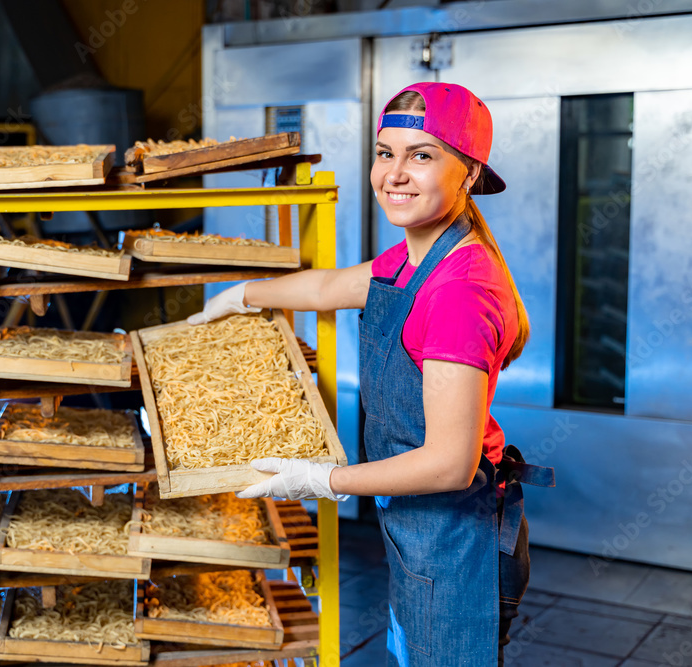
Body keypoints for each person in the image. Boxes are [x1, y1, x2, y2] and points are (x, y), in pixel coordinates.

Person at [186, 81, 555, 667]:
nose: (395, 174)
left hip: (457, 543)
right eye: (386, 153)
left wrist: (321, 479)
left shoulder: (460, 291)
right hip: (419, 533)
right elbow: (332, 286)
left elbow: (448, 464)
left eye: (423, 155)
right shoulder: (414, 258)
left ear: (468, 173)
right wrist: (243, 294)